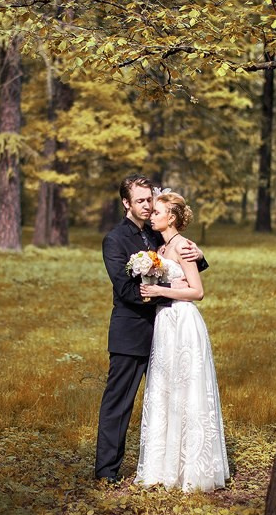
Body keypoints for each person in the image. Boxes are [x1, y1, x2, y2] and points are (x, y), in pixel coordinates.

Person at [95, 175, 203, 484]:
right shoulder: (115, 240)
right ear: (126, 203)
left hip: (169, 334)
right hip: (132, 332)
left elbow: (180, 258)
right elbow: (126, 288)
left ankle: (173, 466)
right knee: (119, 403)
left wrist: (198, 254)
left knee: (170, 400)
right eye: (140, 200)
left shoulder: (156, 234)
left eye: (149, 200)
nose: (147, 205)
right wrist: (165, 290)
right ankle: (106, 471)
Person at [135, 192, 229, 492]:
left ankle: (192, 467)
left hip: (183, 321)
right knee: (166, 389)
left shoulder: (183, 246)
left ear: (171, 217)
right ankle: (164, 465)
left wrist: (161, 292)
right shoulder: (160, 245)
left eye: (158, 211)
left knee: (186, 388)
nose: (151, 215)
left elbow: (197, 291)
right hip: (165, 323)